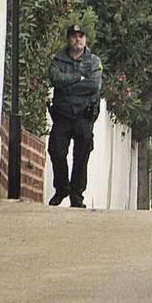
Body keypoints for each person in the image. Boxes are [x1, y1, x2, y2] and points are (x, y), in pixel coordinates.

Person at [48, 25, 103, 208]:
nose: (77, 39)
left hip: (83, 115)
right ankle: (62, 187)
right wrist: (78, 78)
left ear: (85, 39)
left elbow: (93, 85)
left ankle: (76, 194)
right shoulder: (59, 59)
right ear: (68, 39)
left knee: (81, 156)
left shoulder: (93, 61)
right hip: (62, 114)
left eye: (81, 36)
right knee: (56, 151)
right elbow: (56, 79)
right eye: (74, 36)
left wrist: (69, 84)